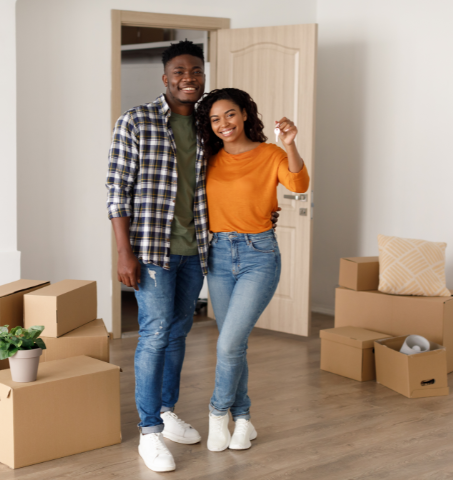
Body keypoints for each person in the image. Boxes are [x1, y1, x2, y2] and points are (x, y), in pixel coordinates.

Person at [105, 40, 207, 473]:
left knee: (180, 332)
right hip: (151, 251)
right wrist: (123, 253)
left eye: (197, 71)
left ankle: (167, 411)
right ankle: (149, 432)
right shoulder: (137, 121)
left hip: (198, 248)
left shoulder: (209, 124)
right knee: (155, 334)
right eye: (180, 72)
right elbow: (116, 191)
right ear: (165, 78)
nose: (189, 78)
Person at [194, 88, 310, 452]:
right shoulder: (208, 159)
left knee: (228, 343)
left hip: (258, 254)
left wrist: (290, 144)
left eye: (229, 114)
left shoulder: (270, 153)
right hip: (218, 255)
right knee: (234, 344)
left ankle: (217, 415)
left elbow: (299, 185)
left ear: (244, 114)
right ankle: (242, 419)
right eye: (215, 119)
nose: (223, 124)